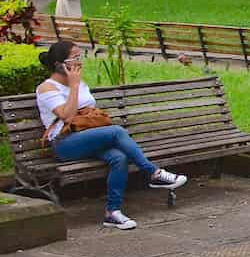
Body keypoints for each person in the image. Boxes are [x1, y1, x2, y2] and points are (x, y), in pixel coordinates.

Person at [35, 41, 188, 230]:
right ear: (59, 64)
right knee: (116, 131)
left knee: (119, 157)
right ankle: (154, 173)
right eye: (75, 58)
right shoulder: (47, 88)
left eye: (80, 56)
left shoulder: (80, 83)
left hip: (88, 137)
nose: (79, 62)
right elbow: (66, 115)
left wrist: (77, 87)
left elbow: (88, 111)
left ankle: (112, 213)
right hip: (65, 143)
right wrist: (73, 86)